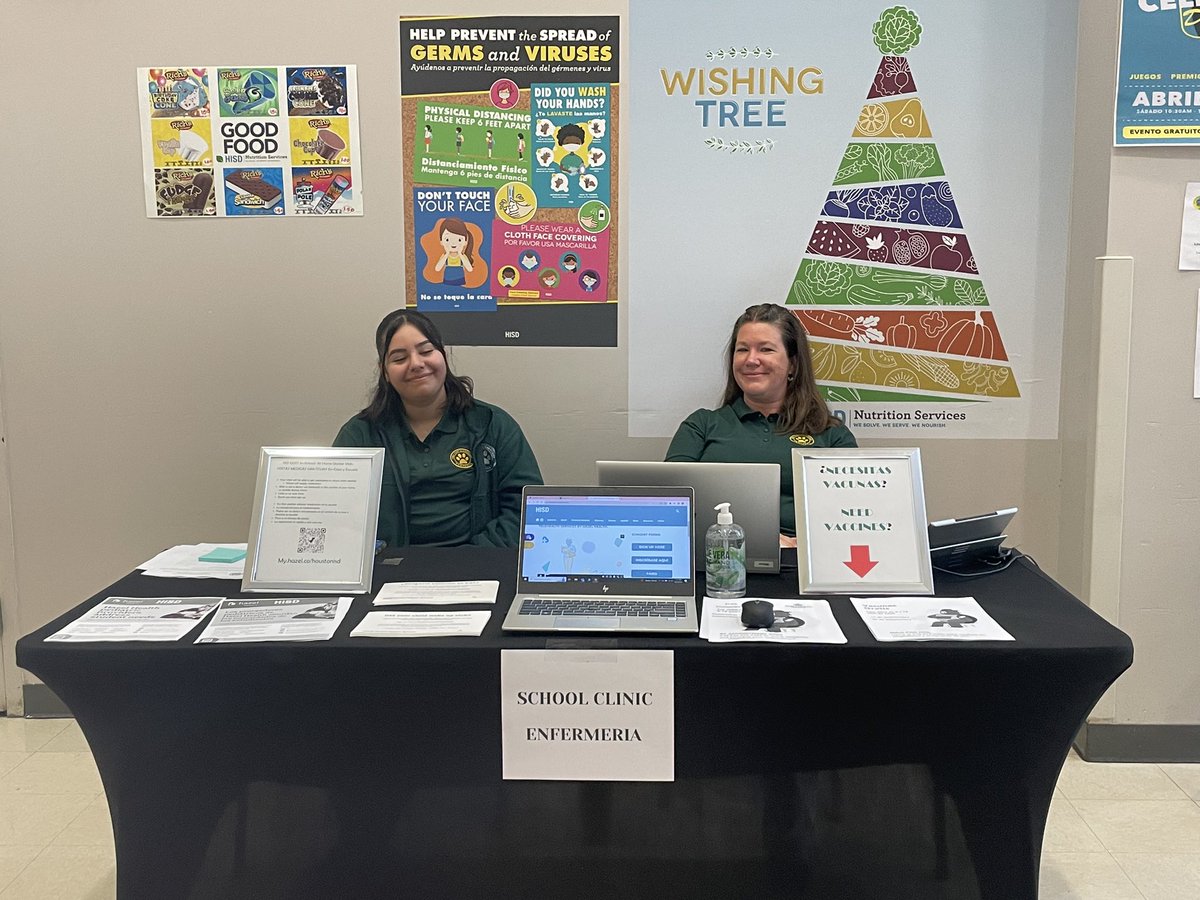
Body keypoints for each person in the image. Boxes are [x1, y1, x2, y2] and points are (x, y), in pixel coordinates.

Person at [334, 309, 542, 548]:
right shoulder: (359, 435)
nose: (416, 364)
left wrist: (473, 557)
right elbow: (336, 516)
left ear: (442, 355)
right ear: (385, 372)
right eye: (399, 358)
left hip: (478, 568)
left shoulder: (492, 424)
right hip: (389, 571)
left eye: (426, 351)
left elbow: (526, 508)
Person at [665, 303, 856, 541]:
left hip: (799, 563)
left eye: (765, 349)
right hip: (717, 561)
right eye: (742, 349)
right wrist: (759, 540)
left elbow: (853, 517)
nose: (751, 360)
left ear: (793, 364)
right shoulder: (701, 426)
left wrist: (806, 546)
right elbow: (669, 509)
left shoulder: (831, 434)